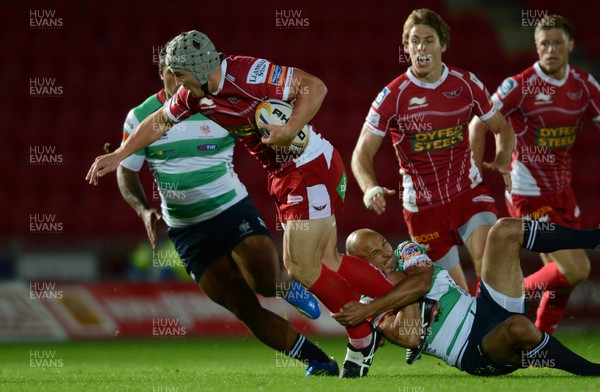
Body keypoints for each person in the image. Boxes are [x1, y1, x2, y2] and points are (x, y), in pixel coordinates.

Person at [86, 31, 397, 378]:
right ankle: (403, 297)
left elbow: (315, 87)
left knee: (300, 268)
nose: (178, 82)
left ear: (200, 69)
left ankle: (364, 333)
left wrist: (290, 127)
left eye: (182, 74)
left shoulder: (251, 74)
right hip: (284, 174)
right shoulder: (193, 96)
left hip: (305, 166)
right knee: (326, 262)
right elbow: (158, 122)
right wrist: (120, 154)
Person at [114, 47, 338, 376]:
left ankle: (284, 284)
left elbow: (258, 125)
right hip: (187, 230)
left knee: (264, 282)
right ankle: (317, 360)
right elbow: (126, 169)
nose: (179, 82)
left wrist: (288, 136)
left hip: (232, 209)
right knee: (242, 306)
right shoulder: (141, 117)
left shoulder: (214, 104)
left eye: (183, 75)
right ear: (160, 73)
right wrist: (143, 210)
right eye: (171, 75)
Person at [352, 8, 515, 292]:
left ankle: (508, 327)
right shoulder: (392, 96)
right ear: (406, 48)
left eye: (428, 40)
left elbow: (503, 127)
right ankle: (478, 330)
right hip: (423, 210)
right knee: (457, 294)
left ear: (443, 45)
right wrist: (369, 188)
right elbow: (361, 153)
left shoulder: (466, 83)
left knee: (487, 258)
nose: (421, 47)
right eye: (414, 41)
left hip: (468, 194)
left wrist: (502, 157)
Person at [469, 14, 600, 334]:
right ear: (536, 47)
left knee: (564, 276)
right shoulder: (520, 85)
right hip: (527, 193)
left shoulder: (584, 85)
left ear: (570, 44)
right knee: (577, 268)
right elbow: (477, 124)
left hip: (563, 193)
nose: (551, 49)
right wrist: (474, 172)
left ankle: (540, 344)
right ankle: (494, 296)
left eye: (558, 43)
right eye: (544, 44)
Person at [336, 220, 600, 376]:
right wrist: (394, 299)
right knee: (520, 327)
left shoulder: (405, 249)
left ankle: (594, 237)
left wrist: (395, 294)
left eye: (382, 242)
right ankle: (591, 370)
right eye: (374, 254)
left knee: (503, 229)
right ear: (362, 266)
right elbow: (411, 336)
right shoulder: (367, 305)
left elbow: (422, 282)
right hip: (474, 349)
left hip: (486, 305)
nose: (385, 252)